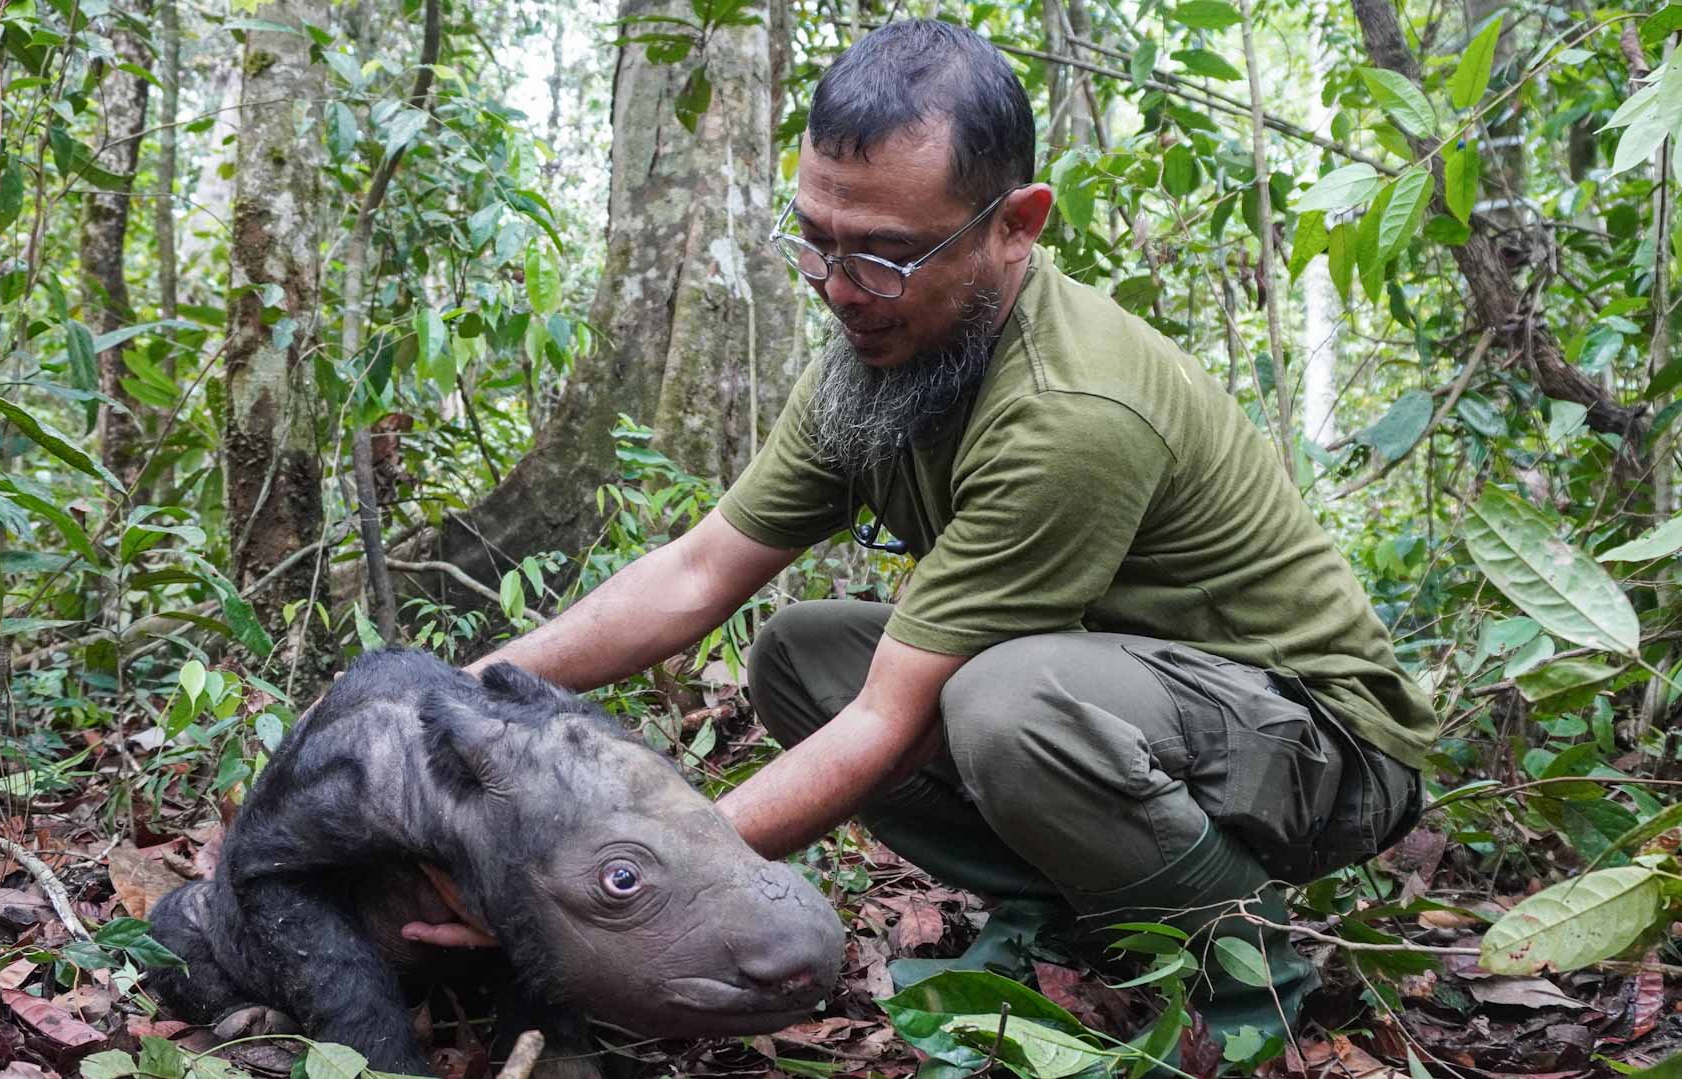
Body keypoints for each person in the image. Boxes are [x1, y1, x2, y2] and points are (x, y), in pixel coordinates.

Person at [403, 18, 1437, 1047]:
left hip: (1319, 745)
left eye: (889, 255)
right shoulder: (879, 350)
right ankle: (1068, 913)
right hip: (1135, 706)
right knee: (801, 654)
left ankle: (1243, 966)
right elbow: (696, 573)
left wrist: (596, 897)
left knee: (1005, 701)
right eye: (815, 238)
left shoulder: (1071, 414)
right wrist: (438, 705)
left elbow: (886, 723)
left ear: (1016, 224)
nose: (842, 289)